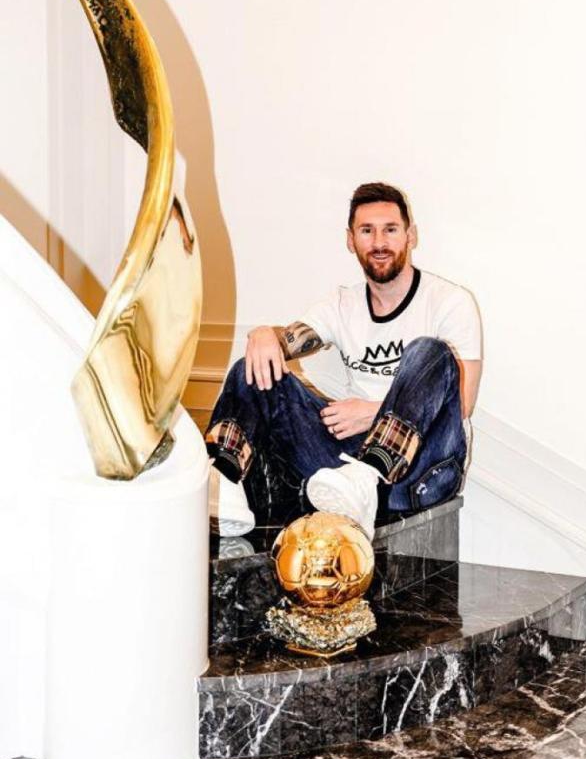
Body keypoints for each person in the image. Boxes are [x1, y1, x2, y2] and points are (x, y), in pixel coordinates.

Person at [205, 182, 482, 537]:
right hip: (346, 473)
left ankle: (369, 472)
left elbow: (462, 403)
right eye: (367, 231)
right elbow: (289, 341)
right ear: (351, 240)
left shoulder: (449, 302)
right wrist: (263, 335)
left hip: (422, 470)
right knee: (255, 368)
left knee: (429, 351)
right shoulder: (342, 304)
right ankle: (223, 480)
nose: (379, 242)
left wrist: (373, 413)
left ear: (410, 236)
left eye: (390, 230)